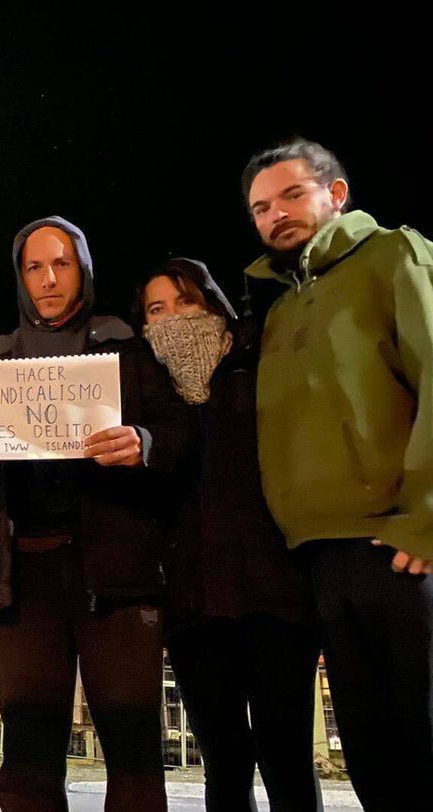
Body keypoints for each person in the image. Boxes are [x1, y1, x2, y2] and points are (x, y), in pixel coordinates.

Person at [0, 216, 193, 812]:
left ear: (83, 269)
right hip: (21, 579)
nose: (48, 279)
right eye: (34, 267)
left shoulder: (125, 348)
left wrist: (145, 444)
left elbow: (181, 432)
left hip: (116, 578)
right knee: (28, 745)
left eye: (61, 264)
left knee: (131, 739)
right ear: (20, 277)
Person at [242, 136, 433, 811]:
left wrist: (425, 518)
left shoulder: (393, 256)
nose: (276, 214)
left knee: (421, 747)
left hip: (399, 546)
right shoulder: (280, 307)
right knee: (371, 757)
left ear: (337, 194)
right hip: (321, 556)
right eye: (261, 208)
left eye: (292, 195)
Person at [133, 258, 322, 811]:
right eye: (156, 309)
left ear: (212, 303)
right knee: (224, 758)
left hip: (276, 596)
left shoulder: (260, 362)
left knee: (286, 752)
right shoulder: (145, 389)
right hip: (194, 603)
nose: (172, 318)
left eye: (184, 301)